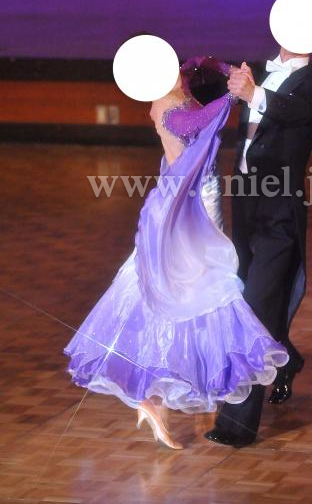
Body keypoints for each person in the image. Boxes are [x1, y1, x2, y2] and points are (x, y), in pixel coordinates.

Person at [63, 57, 288, 450]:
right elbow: (197, 122)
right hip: (189, 205)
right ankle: (160, 392)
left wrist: (221, 68)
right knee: (194, 286)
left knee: (175, 289)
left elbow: (201, 69)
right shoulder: (167, 106)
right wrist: (234, 95)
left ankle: (155, 400)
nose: (180, 69)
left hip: (197, 197)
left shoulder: (177, 86)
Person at [205, 47, 312, 447]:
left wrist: (254, 93)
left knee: (254, 312)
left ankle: (237, 424)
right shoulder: (258, 71)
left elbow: (290, 110)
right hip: (246, 201)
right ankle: (286, 360)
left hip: (280, 213)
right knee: (252, 299)